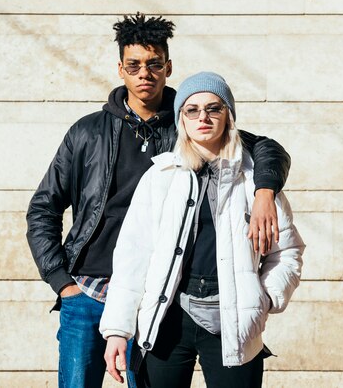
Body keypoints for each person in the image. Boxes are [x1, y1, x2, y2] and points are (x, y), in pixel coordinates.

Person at [26, 13, 291, 388]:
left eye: (153, 64)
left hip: (160, 294)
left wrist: (265, 191)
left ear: (168, 67)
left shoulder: (188, 119)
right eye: (134, 65)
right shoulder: (88, 132)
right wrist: (61, 281)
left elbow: (266, 148)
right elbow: (44, 207)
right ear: (121, 69)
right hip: (89, 290)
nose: (144, 73)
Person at [100, 72, 305, 388]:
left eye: (214, 108)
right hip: (167, 319)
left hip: (233, 321)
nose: (203, 117)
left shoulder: (256, 180)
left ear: (228, 116)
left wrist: (264, 299)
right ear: (181, 118)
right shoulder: (161, 176)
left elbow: (287, 251)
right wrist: (117, 329)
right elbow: (132, 256)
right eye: (192, 110)